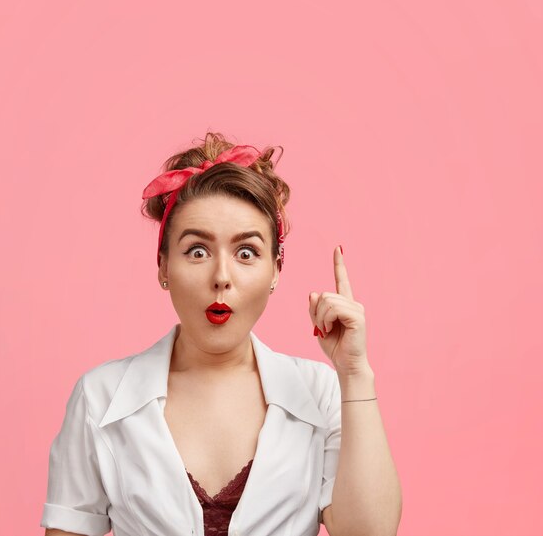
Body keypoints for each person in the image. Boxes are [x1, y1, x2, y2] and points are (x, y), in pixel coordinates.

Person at [40, 132, 402, 536]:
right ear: (163, 267)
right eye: (197, 250)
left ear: (275, 272)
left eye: (246, 253)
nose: (221, 277)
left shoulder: (319, 392)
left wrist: (354, 373)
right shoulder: (100, 397)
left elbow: (370, 532)